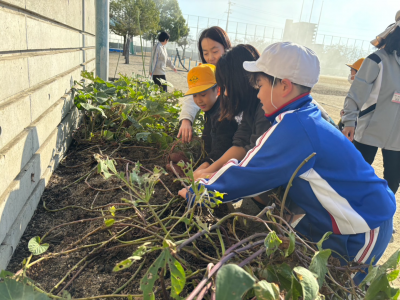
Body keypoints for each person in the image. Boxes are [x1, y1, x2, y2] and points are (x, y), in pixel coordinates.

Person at [179, 42, 396, 284]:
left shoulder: (295, 127)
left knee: (337, 286)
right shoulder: (301, 115)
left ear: (284, 85)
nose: (258, 93)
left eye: (260, 85)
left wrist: (198, 191)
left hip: (365, 225)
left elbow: (250, 173)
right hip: (339, 216)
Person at [342, 10, 400, 194]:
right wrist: (350, 120)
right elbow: (356, 93)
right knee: (356, 175)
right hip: (369, 130)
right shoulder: (377, 60)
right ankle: (347, 213)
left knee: (393, 181)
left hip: (398, 137)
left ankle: (381, 216)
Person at [168, 64, 238, 176]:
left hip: (223, 169)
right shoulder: (211, 109)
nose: (199, 100)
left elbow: (222, 149)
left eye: (203, 94)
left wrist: (201, 169)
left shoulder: (223, 115)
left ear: (218, 90)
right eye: (195, 96)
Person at [177, 26, 232, 143]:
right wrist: (186, 119)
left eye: (215, 52)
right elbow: (194, 95)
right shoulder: (205, 70)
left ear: (226, 47)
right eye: (205, 53)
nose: (210, 58)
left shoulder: (234, 74)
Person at [338, 58, 365, 131]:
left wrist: (347, 117)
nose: (350, 74)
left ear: (358, 73)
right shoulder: (361, 89)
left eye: (351, 71)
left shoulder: (359, 91)